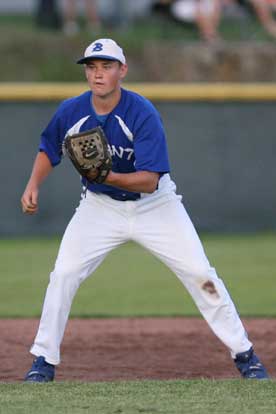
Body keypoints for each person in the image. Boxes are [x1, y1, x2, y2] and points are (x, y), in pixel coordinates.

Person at [21, 38, 269, 382]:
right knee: (63, 275)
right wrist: (33, 184)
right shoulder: (71, 111)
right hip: (99, 207)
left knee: (201, 274)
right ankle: (43, 362)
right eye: (92, 67)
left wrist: (108, 175)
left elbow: (150, 180)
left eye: (106, 66)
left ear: (122, 70)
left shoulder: (141, 113)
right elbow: (49, 147)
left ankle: (246, 356)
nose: (97, 74)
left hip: (156, 207)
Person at [152, 0, 222, 42]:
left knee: (214, 4)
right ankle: (209, 36)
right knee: (199, 8)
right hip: (180, 7)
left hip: (198, 7)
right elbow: (163, 2)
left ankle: (210, 34)